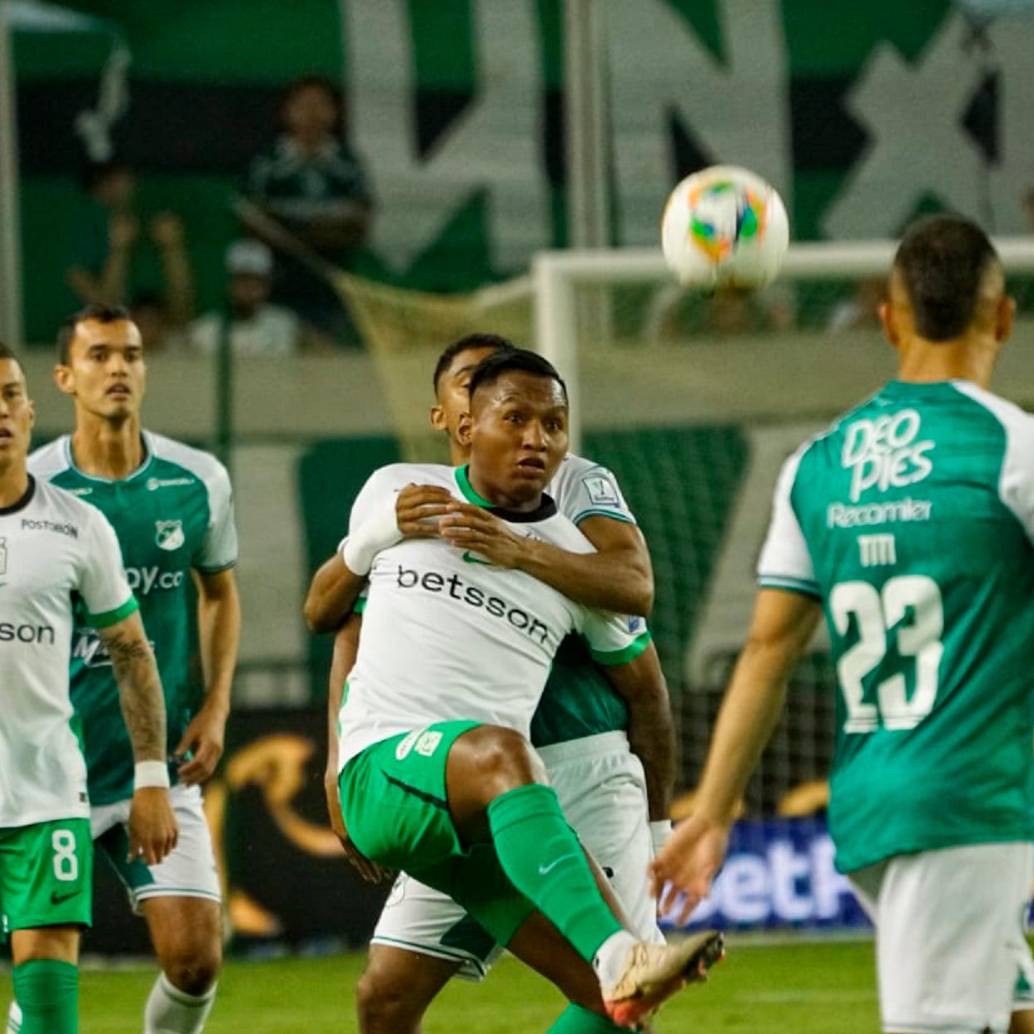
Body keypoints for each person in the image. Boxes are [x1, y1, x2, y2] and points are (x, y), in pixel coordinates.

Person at [651, 214, 1034, 1034]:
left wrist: (713, 813)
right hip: (969, 802)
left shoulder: (817, 465)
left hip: (871, 806)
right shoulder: (1013, 451)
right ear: (1002, 319)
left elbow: (768, 648)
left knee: (1012, 1006)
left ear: (889, 322)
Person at [306, 348, 721, 1031]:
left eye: (554, 424)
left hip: (487, 810)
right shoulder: (402, 493)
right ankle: (621, 952)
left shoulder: (575, 562)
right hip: (387, 769)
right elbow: (322, 613)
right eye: (516, 419)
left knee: (616, 1008)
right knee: (501, 752)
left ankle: (619, 964)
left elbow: (646, 686)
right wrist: (377, 533)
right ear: (466, 426)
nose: (537, 439)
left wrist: (656, 826)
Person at [21, 305, 240, 1034]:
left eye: (133, 355)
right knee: (44, 957)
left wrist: (215, 707)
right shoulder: (29, 487)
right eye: (99, 355)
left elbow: (220, 592)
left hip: (158, 759)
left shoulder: (197, 480)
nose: (119, 368)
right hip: (48, 768)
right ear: (63, 377)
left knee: (195, 960)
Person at [0, 341, 177, 1034]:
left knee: (50, 1016)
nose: (1, 411)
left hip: (44, 795)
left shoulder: (78, 525)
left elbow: (131, 652)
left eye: (11, 395)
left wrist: (153, 777)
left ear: (31, 408)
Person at [244, 76, 373, 344]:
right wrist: (316, 231)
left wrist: (296, 232)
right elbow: (254, 223)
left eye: (320, 105)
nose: (312, 114)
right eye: (304, 105)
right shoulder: (269, 164)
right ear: (287, 111)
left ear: (335, 113)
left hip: (331, 286)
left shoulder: (348, 166)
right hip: (279, 287)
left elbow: (359, 225)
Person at [66, 162, 193, 338]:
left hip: (169, 340)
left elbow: (183, 312)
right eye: (105, 182)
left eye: (119, 179)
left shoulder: (160, 216)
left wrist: (172, 250)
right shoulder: (86, 227)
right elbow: (104, 312)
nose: (115, 188)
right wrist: (119, 252)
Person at [190, 240, 302, 357]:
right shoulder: (205, 330)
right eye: (242, 280)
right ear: (229, 283)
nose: (249, 288)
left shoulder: (285, 325)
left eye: (255, 281)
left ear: (267, 285)